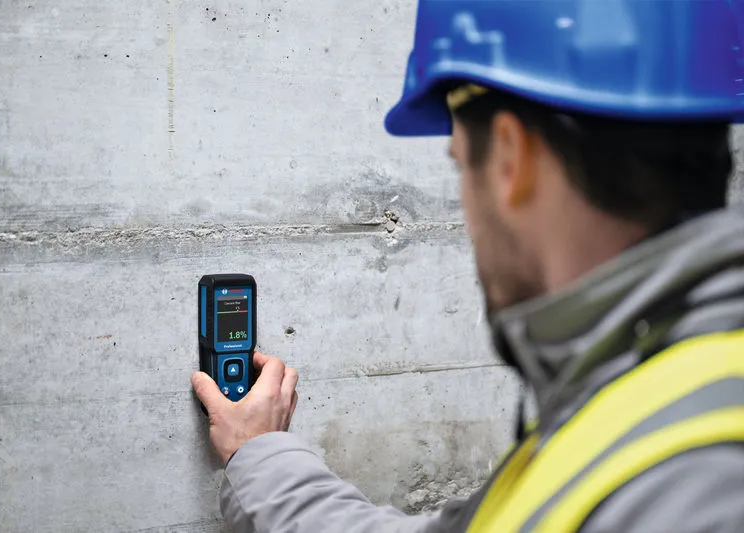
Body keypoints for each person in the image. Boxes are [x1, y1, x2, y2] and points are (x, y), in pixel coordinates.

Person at [191, 0, 744, 531]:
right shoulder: (646, 400)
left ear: (509, 158)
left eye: (460, 164)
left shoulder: (691, 485)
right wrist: (260, 455)